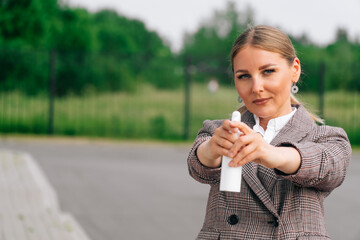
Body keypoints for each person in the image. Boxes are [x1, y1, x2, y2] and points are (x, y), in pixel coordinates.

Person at [187, 25, 352, 240]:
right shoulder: (218, 131)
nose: (256, 87)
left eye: (268, 71)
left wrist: (270, 153)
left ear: (294, 70)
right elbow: (197, 165)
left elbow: (326, 166)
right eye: (244, 76)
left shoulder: (329, 139)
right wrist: (212, 150)